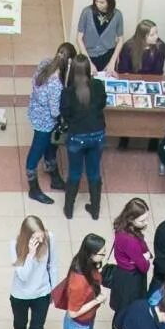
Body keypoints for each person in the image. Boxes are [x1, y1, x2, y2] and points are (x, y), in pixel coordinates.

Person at [6, 213, 57, 329]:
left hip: (42, 293)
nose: (40, 240)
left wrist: (54, 290)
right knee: (20, 324)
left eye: (41, 235)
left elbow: (53, 265)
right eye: (35, 237)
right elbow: (23, 276)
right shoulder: (15, 245)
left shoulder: (50, 238)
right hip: (20, 295)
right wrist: (30, 254)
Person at [24, 49, 75, 206]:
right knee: (37, 150)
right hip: (46, 122)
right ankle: (33, 188)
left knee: (49, 146)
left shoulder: (44, 63)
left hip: (35, 112)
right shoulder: (55, 84)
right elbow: (55, 111)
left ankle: (53, 174)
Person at [61, 56, 110, 219]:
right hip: (97, 134)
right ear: (89, 70)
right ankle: (95, 210)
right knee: (94, 172)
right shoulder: (98, 85)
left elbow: (65, 113)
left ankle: (69, 209)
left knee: (74, 172)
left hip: (77, 136)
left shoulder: (67, 92)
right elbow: (103, 103)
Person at [77, 0, 124, 69]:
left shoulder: (117, 15)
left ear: (109, 1)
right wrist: (89, 62)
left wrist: (112, 61)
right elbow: (79, 38)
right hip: (88, 54)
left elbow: (120, 39)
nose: (98, 5)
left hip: (107, 56)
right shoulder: (87, 12)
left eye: (102, 2)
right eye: (96, 1)